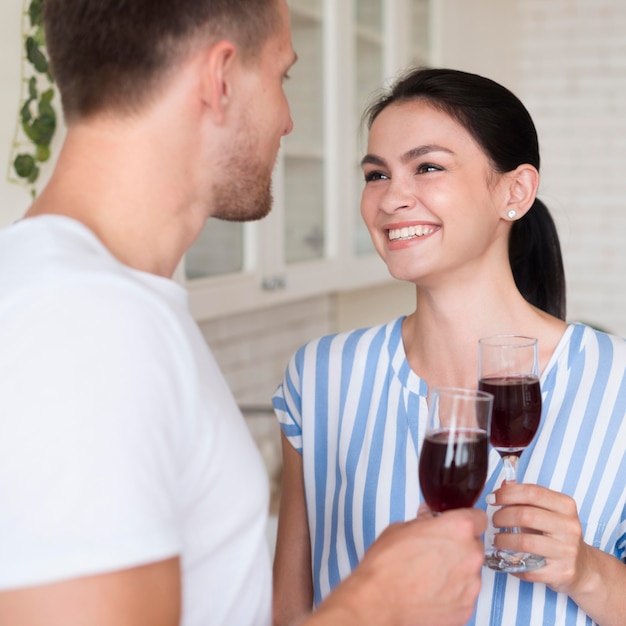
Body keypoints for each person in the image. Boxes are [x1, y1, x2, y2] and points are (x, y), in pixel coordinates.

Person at [0, 3, 488, 625]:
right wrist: (374, 608)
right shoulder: (85, 322)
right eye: (282, 77)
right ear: (221, 79)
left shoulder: (95, 301)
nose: (287, 122)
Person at [273, 67, 626, 626]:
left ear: (514, 191)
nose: (391, 199)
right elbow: (289, 609)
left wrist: (586, 570)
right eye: (376, 175)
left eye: (427, 167)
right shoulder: (320, 377)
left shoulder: (617, 382)